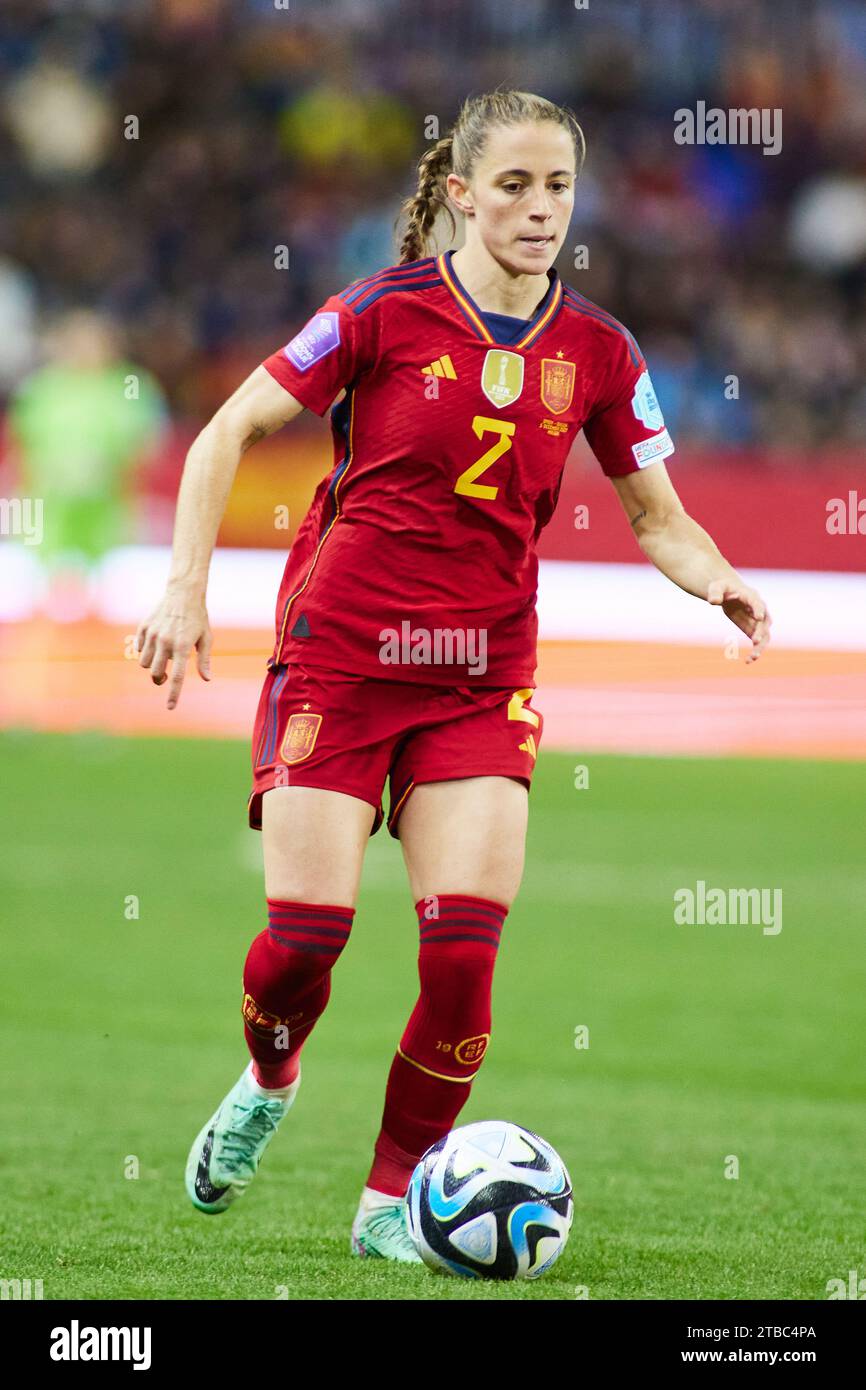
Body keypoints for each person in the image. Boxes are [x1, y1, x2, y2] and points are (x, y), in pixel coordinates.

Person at [136, 89, 771, 1263]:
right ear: (461, 194)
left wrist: (715, 575)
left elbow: (657, 514)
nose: (540, 209)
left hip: (482, 675)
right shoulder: (376, 313)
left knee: (462, 953)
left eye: (560, 187)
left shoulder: (599, 350)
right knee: (304, 940)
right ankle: (269, 1076)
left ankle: (387, 1200)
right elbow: (225, 432)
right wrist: (184, 590)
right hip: (341, 653)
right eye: (516, 186)